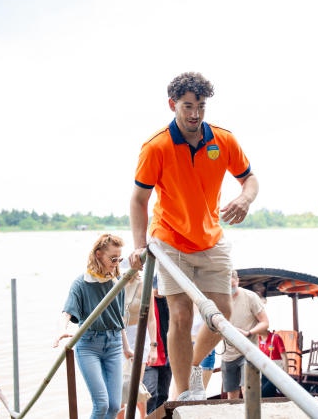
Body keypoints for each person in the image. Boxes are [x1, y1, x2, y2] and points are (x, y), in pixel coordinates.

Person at [128, 71, 259, 401]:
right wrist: (140, 247)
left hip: (211, 238)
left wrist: (244, 198)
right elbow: (139, 200)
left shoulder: (223, 140)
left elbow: (250, 179)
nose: (195, 114)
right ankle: (185, 392)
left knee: (223, 312)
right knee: (182, 315)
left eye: (200, 106)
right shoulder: (156, 146)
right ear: (173, 105)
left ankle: (194, 369)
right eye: (187, 106)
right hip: (169, 240)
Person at [53, 233, 133, 419]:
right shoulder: (81, 283)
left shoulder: (116, 282)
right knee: (102, 404)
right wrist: (61, 330)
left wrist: (127, 348)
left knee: (114, 406)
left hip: (114, 345)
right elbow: (67, 312)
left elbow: (118, 319)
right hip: (89, 345)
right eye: (113, 258)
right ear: (98, 254)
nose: (116, 262)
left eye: (119, 258)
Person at [221, 270, 269, 399]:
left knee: (249, 391)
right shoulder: (219, 298)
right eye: (226, 286)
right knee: (232, 397)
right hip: (228, 354)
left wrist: (249, 332)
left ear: (237, 281)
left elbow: (265, 323)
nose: (229, 289)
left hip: (248, 351)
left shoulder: (250, 297)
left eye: (232, 285)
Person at [116, 270, 158, 419]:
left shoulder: (144, 285)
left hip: (138, 336)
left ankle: (142, 416)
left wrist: (154, 347)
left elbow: (151, 319)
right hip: (119, 335)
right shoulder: (115, 283)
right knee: (118, 384)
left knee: (135, 384)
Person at [142, 276, 172, 414]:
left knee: (164, 396)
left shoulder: (169, 301)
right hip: (150, 354)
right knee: (150, 393)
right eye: (157, 288)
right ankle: (148, 416)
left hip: (167, 353)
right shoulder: (146, 302)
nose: (160, 291)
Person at [258, 330, 287, 397]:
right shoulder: (257, 339)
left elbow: (284, 357)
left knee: (263, 393)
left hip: (276, 371)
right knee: (269, 394)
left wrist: (286, 374)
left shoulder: (275, 338)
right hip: (264, 371)